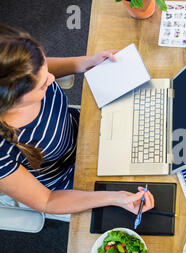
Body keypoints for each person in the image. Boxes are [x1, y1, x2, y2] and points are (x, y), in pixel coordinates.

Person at [0, 24, 155, 215]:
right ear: (11, 100)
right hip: (69, 182)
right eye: (42, 85)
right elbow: (47, 201)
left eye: (45, 68)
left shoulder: (25, 73)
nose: (52, 78)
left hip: (83, 130)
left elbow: (40, 68)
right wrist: (115, 197)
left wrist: (88, 62)